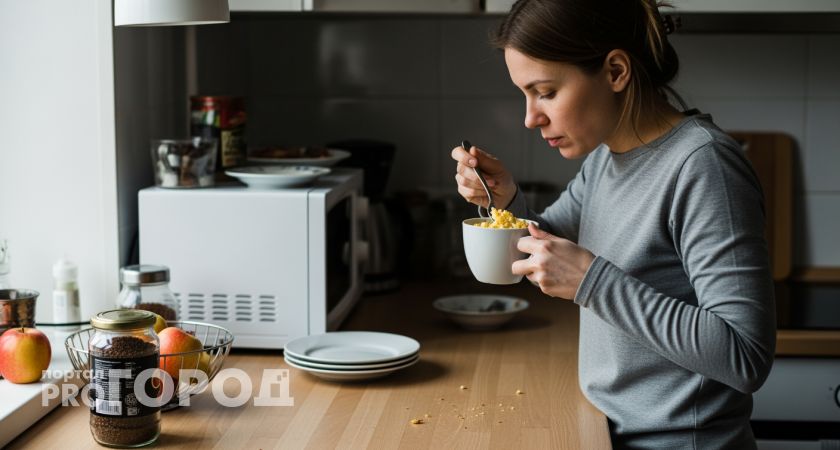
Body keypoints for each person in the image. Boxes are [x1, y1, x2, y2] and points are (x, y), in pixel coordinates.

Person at [451, 0, 776, 448]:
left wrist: (593, 282)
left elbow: (746, 356)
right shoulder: (606, 158)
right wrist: (504, 198)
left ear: (616, 72)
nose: (530, 118)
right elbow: (545, 249)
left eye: (545, 92)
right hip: (609, 430)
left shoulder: (704, 167)